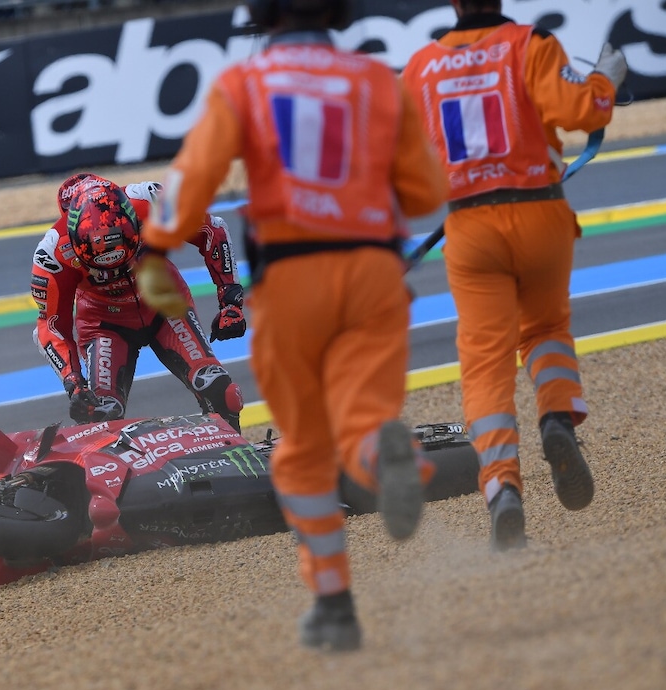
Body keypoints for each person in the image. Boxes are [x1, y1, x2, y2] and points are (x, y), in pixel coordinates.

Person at [137, 0, 448, 651]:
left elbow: (189, 182)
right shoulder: (376, 80)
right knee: (364, 417)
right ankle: (387, 455)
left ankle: (334, 605)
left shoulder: (243, 84)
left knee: (304, 446)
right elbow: (423, 194)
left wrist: (158, 246)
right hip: (371, 271)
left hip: (289, 278)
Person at [402, 0, 627, 550]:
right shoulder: (533, 45)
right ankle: (556, 417)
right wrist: (605, 78)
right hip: (540, 211)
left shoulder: (419, 68)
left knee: (484, 363)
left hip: (471, 226)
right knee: (547, 329)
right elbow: (587, 111)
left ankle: (502, 487)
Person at [32, 173, 248, 432]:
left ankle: (234, 458)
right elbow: (51, 326)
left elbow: (213, 230)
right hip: (104, 325)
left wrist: (230, 301)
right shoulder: (52, 253)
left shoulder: (152, 201)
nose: (114, 269)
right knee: (98, 413)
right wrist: (74, 383)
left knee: (220, 390)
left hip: (165, 305)